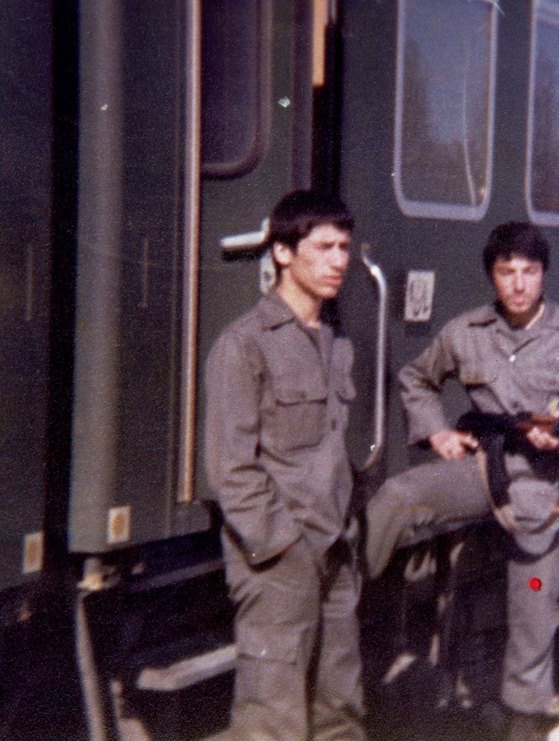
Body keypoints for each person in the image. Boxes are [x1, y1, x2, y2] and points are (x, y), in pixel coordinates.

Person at [365, 221, 559, 739]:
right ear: (492, 277)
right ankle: (347, 599)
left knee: (533, 600)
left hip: (541, 484)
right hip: (482, 468)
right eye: (506, 272)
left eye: (529, 272)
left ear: (544, 274)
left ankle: (525, 716)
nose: (519, 284)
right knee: (399, 496)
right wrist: (436, 432)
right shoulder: (466, 332)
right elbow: (416, 378)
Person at [204, 190, 365, 740]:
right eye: (323, 247)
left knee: (340, 712)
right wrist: (284, 545)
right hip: (280, 559)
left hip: (336, 551)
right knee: (271, 722)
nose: (339, 261)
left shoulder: (337, 344)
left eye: (344, 247)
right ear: (282, 253)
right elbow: (232, 470)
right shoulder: (244, 345)